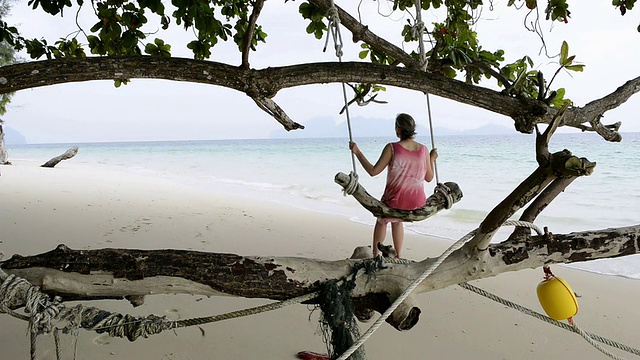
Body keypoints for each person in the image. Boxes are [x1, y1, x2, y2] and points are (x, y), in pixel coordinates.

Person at [349, 113, 438, 258]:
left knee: (382, 219)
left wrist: (357, 152)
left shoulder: (392, 148)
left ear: (398, 129)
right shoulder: (423, 150)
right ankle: (399, 256)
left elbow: (373, 171)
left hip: (395, 201)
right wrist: (432, 159)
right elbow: (429, 178)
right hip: (417, 202)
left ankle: (375, 254)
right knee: (397, 221)